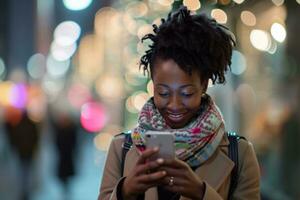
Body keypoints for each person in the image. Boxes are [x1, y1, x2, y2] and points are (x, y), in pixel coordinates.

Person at [99, 6, 260, 200]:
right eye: (163, 92)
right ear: (152, 83)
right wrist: (125, 191)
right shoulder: (122, 148)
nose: (174, 105)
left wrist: (201, 193)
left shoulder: (239, 153)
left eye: (186, 93)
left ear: (204, 85)